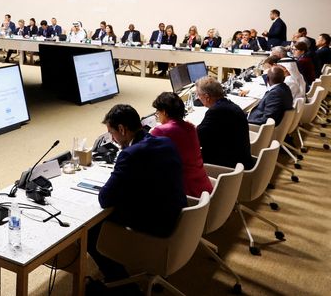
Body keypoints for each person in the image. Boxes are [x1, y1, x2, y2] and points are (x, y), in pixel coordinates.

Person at [88, 104, 186, 282]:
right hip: (179, 217)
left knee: (91, 228)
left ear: (122, 129)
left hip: (158, 224)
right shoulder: (166, 142)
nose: (113, 138)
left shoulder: (130, 155)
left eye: (112, 133)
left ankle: (119, 282)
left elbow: (105, 199)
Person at [150, 92, 213, 197]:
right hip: (204, 188)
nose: (158, 116)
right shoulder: (191, 127)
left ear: (164, 112)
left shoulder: (161, 131)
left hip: (187, 193)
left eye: (158, 112)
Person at [195, 77, 254, 168]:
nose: (198, 98)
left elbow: (197, 139)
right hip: (239, 158)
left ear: (207, 97)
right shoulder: (228, 105)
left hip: (230, 165)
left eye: (198, 95)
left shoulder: (216, 111)